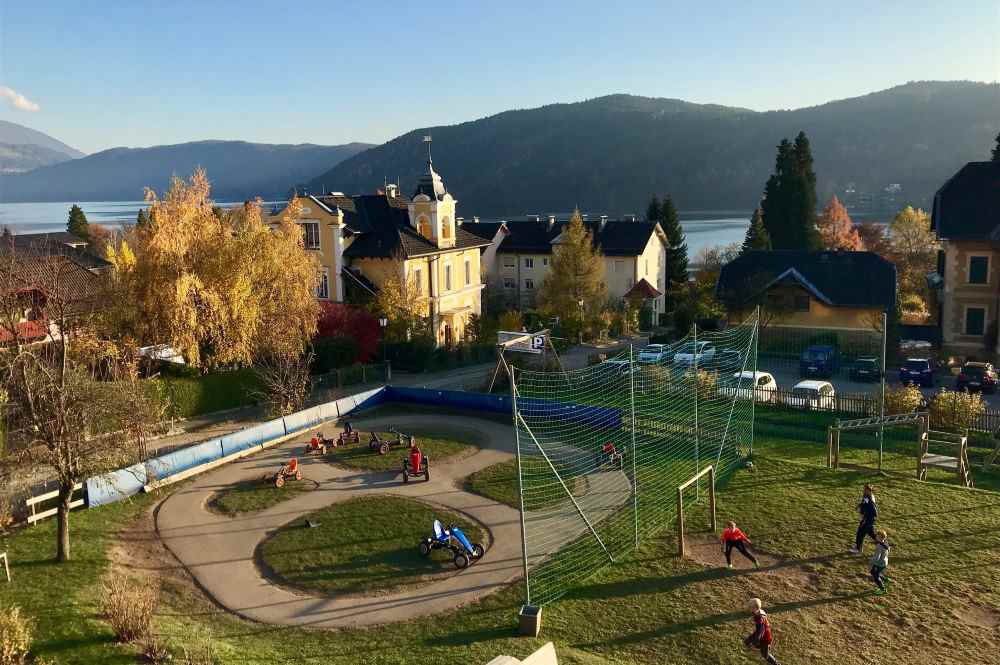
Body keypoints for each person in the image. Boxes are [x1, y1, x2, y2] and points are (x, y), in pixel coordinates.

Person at [744, 597, 780, 664]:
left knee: (765, 655)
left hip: (765, 638)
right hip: (761, 633)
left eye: (750, 607)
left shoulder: (759, 618)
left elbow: (760, 633)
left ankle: (776, 663)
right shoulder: (759, 611)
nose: (749, 608)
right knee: (747, 641)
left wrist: (754, 643)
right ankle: (757, 646)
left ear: (755, 608)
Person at [849, 484, 878, 555]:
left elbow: (873, 511)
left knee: (860, 533)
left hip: (868, 519)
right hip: (868, 519)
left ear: (868, 490)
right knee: (871, 533)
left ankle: (858, 549)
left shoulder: (870, 498)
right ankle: (883, 543)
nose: (863, 490)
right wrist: (859, 506)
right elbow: (864, 504)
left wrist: (864, 516)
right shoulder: (866, 496)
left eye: (865, 489)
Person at [870, 529, 891, 595]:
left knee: (876, 576)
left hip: (880, 563)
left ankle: (883, 589)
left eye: (877, 537)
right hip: (884, 561)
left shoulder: (879, 546)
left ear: (880, 538)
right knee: (873, 572)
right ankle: (886, 580)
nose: (875, 537)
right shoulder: (886, 542)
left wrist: (871, 561)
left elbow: (877, 557)